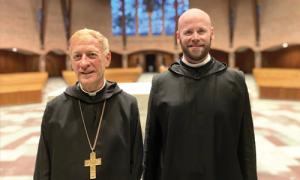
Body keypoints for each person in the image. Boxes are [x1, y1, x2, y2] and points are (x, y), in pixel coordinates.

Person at [143, 8, 257, 180]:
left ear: (211, 33)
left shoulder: (235, 81)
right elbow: (152, 145)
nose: (195, 37)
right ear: (178, 36)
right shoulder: (161, 83)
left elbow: (246, 143)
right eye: (188, 32)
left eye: (201, 31)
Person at [34, 28, 143, 180]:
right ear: (71, 62)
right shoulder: (55, 108)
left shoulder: (127, 105)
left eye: (92, 55)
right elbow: (43, 165)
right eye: (77, 56)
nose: (84, 63)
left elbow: (136, 162)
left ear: (107, 58)